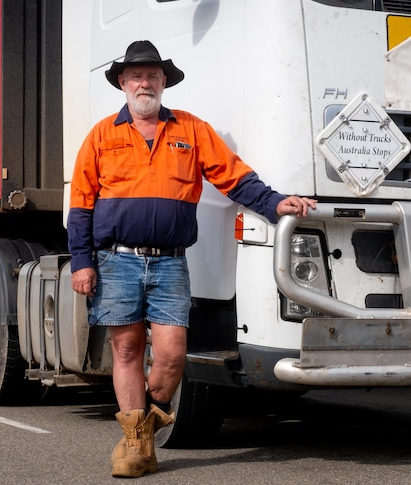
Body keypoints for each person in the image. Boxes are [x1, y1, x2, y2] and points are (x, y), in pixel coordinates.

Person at [67, 40, 317, 478]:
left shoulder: (191, 130)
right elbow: (81, 205)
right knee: (127, 349)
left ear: (164, 82)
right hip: (116, 261)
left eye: (152, 75)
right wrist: (82, 261)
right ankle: (136, 443)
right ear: (122, 83)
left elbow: (235, 178)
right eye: (136, 76)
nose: (144, 82)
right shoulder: (102, 135)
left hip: (170, 262)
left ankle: (151, 417)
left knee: (172, 355)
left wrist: (276, 203)